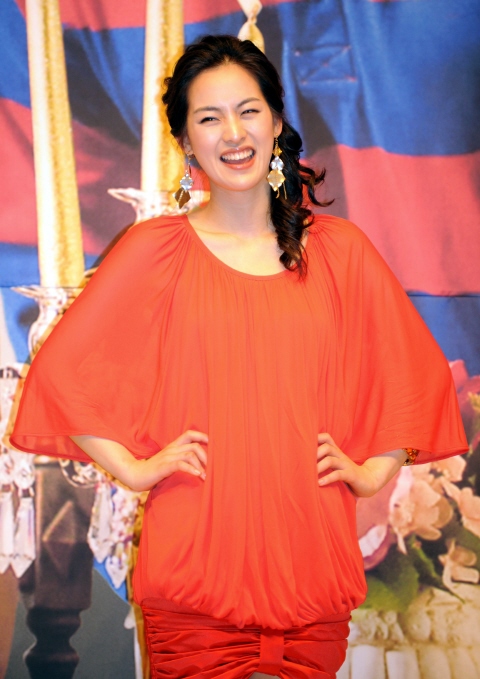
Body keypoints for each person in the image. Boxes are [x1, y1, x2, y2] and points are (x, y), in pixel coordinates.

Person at [11, 35, 467, 679]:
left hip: (312, 579)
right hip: (191, 581)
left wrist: (373, 471)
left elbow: (416, 377)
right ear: (185, 141)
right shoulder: (155, 251)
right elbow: (60, 375)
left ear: (276, 122)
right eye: (209, 117)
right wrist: (135, 469)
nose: (233, 132)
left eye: (248, 111)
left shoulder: (340, 252)